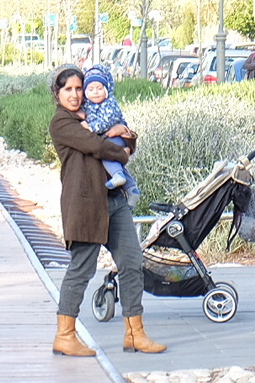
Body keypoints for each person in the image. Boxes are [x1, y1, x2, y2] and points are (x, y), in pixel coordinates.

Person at [48, 65, 166, 357]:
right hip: (85, 204)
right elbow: (96, 146)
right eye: (68, 90)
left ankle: (134, 333)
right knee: (82, 269)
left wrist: (127, 134)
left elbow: (120, 134)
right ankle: (65, 335)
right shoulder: (62, 122)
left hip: (114, 200)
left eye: (79, 88)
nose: (75, 95)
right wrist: (123, 151)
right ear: (58, 93)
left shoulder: (93, 113)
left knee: (132, 262)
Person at [80, 64, 140, 208]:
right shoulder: (88, 105)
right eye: (91, 89)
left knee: (107, 155)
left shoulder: (109, 103)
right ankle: (132, 189)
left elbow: (108, 120)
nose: (95, 92)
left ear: (107, 90)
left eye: (100, 89)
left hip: (114, 138)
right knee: (116, 164)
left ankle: (118, 177)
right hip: (110, 137)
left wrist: (90, 127)